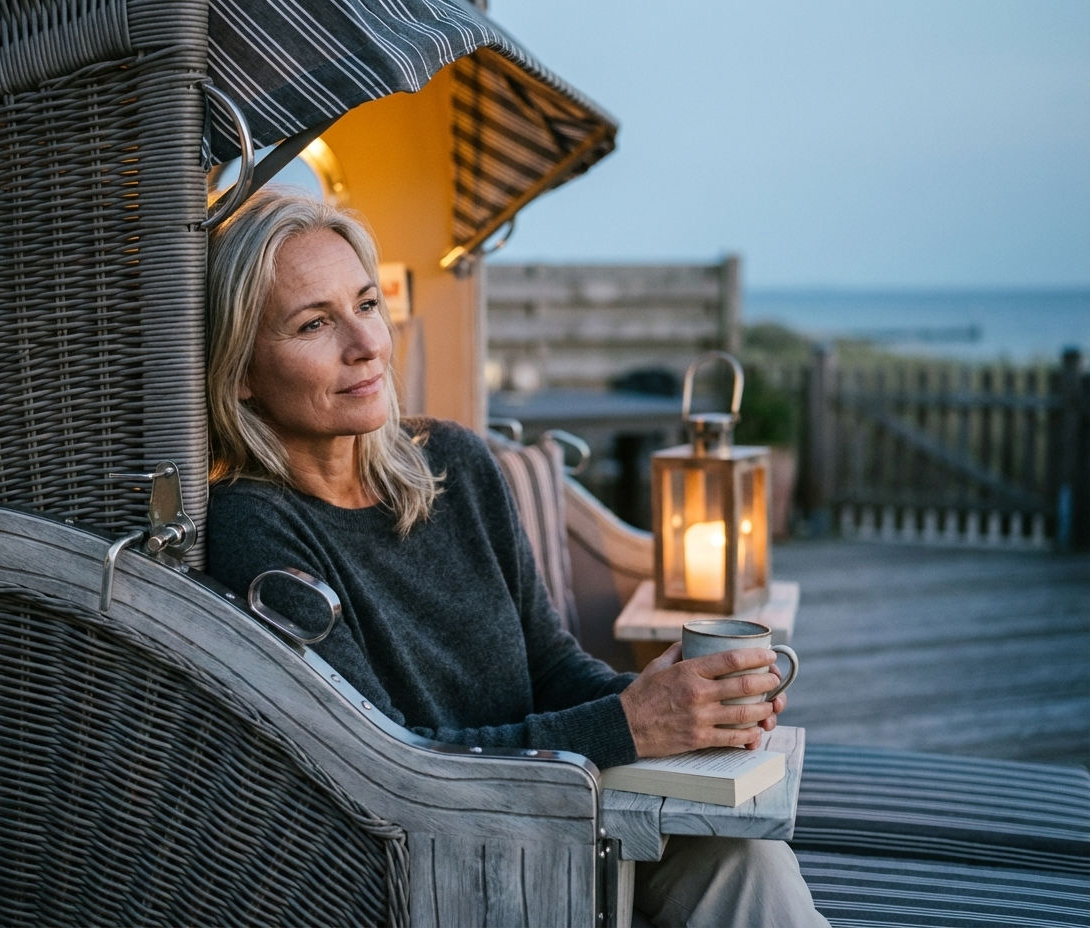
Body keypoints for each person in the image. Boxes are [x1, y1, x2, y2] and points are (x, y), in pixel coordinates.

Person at [204, 188, 829, 927]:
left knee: (747, 858)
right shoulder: (254, 530)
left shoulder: (456, 465)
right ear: (241, 369)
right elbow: (388, 767)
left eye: (367, 305)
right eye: (314, 323)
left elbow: (551, 667)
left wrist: (682, 704)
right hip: (440, 871)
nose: (365, 343)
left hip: (566, 821)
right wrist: (631, 724)